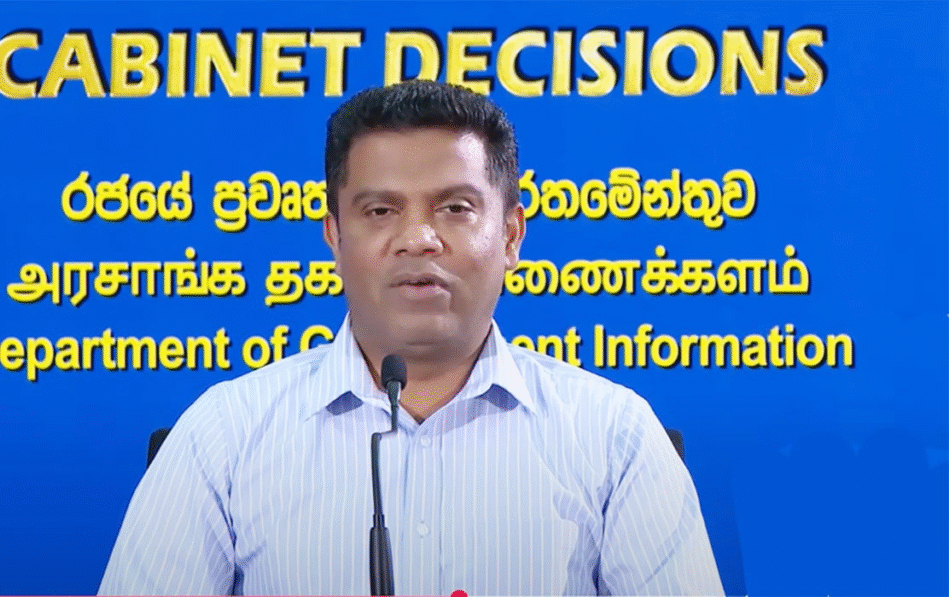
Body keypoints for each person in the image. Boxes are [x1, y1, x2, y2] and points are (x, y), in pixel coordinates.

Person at [99, 80, 724, 596]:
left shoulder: (614, 437)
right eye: (381, 211)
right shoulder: (223, 436)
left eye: (455, 208)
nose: (419, 238)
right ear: (334, 237)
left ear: (510, 236)